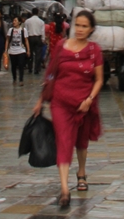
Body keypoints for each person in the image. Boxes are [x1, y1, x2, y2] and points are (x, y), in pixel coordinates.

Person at [34, 10, 103, 207]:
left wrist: (90, 98)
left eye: (84, 26)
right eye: (77, 25)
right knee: (64, 141)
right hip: (61, 102)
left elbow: (98, 79)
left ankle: (81, 172)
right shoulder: (61, 47)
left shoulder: (94, 50)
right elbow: (50, 74)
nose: (80, 29)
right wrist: (41, 100)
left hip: (84, 103)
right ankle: (64, 189)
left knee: (81, 141)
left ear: (91, 29)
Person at [7, 16, 30, 85]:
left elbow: (26, 40)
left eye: (15, 20)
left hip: (21, 50)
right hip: (12, 50)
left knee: (21, 65)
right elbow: (7, 40)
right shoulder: (10, 30)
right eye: (13, 20)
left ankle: (21, 79)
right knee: (13, 66)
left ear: (19, 22)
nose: (14, 22)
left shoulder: (23, 30)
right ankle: (14, 78)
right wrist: (6, 50)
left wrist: (28, 50)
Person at [24, 8, 47, 74]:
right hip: (38, 38)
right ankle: (37, 68)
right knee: (38, 54)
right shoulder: (41, 21)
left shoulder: (27, 21)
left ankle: (30, 68)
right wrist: (43, 39)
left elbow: (25, 30)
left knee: (30, 53)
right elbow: (42, 31)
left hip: (30, 38)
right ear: (38, 13)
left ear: (32, 12)